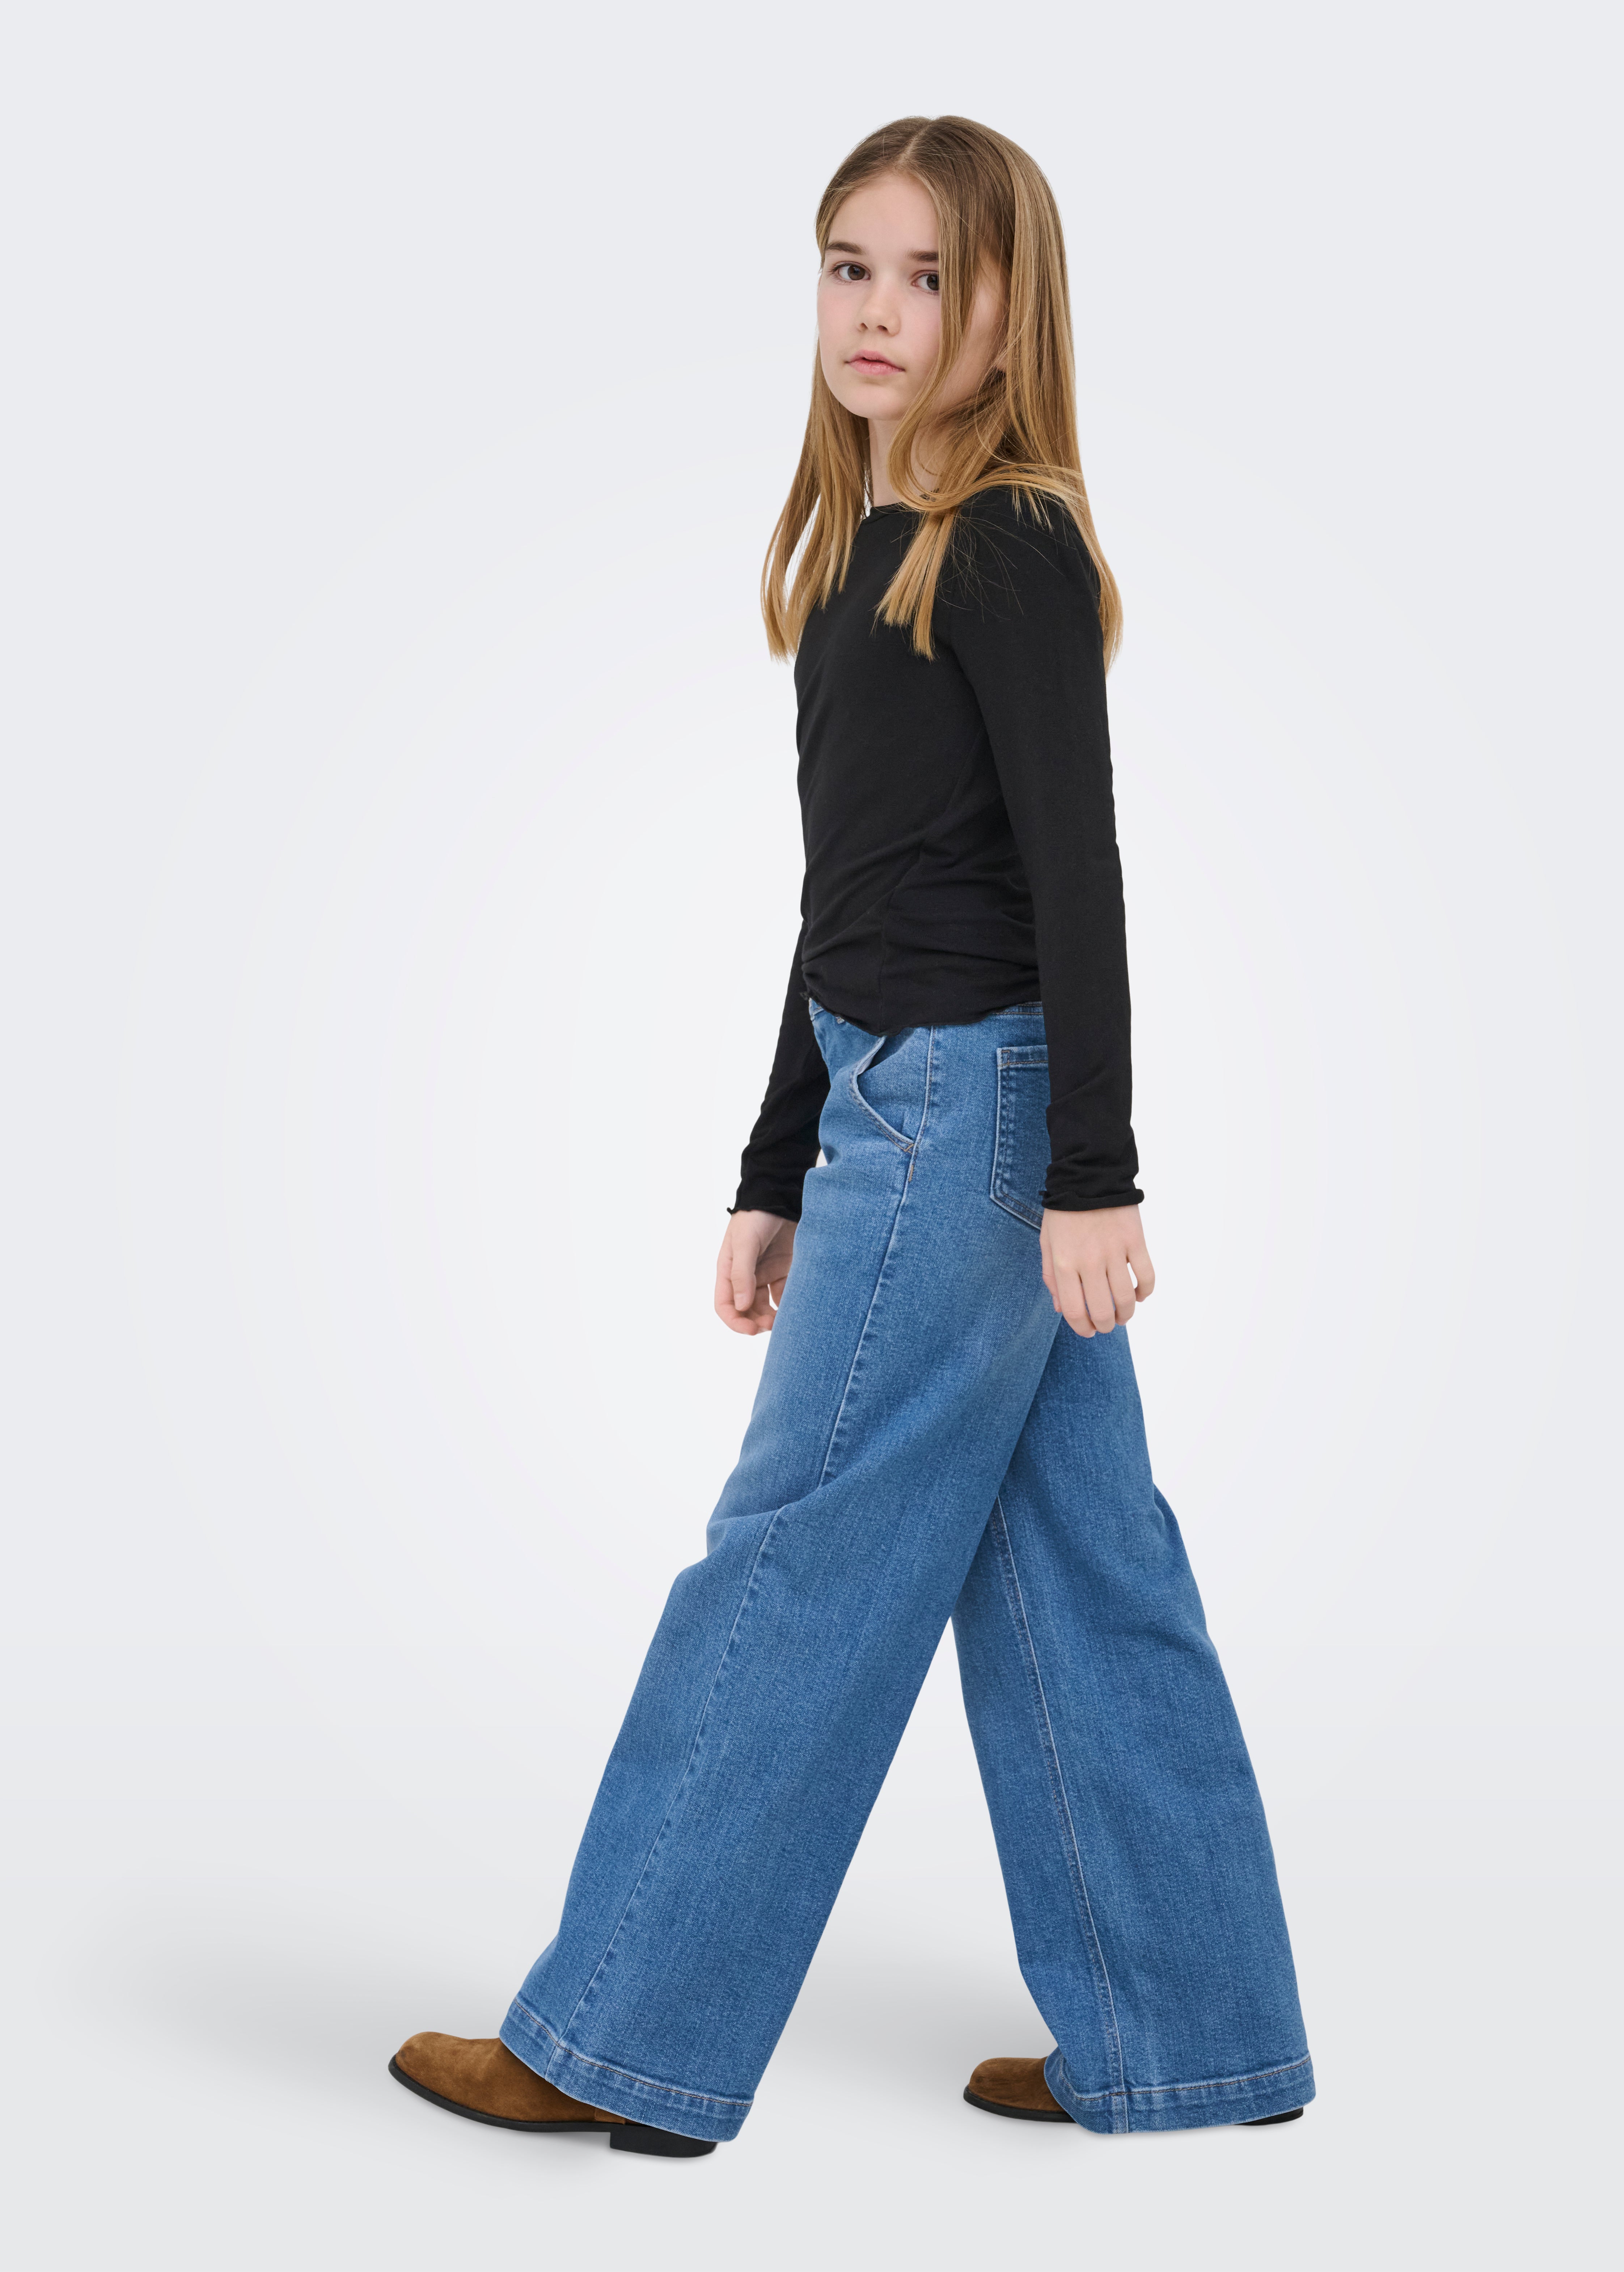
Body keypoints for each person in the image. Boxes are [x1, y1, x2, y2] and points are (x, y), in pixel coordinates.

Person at [390, 114, 1312, 2158]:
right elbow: (851, 901)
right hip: (898, 1096)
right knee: (1079, 1562)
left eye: (929, 275)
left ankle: (617, 2041)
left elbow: (1075, 872)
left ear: (1009, 312)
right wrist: (771, 1163)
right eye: (847, 266)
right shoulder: (863, 563)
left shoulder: (1006, 545)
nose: (878, 312)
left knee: (793, 1558)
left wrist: (1093, 1170)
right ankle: (1194, 2031)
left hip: (973, 1120)